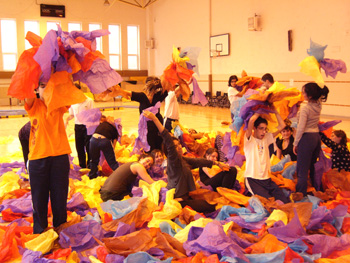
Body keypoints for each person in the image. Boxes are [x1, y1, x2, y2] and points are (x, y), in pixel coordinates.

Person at [143, 110, 230, 213]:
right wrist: (155, 119)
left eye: (179, 144)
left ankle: (226, 193)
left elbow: (197, 161)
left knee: (229, 175)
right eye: (175, 146)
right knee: (211, 207)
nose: (179, 147)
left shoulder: (182, 159)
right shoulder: (173, 161)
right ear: (169, 151)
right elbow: (167, 138)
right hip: (179, 200)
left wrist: (217, 163)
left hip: (186, 197)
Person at [25, 82, 71, 234]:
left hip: (60, 157)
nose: (47, 88)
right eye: (43, 86)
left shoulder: (58, 104)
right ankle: (40, 231)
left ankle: (60, 229)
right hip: (38, 158)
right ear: (37, 90)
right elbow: (27, 90)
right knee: (39, 199)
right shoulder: (34, 105)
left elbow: (66, 91)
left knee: (60, 196)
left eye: (49, 85)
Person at [105, 77, 168, 151]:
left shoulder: (157, 96)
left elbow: (168, 88)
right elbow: (127, 93)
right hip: (147, 128)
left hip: (157, 125)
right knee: (150, 146)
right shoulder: (142, 96)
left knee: (158, 145)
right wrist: (115, 90)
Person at [244, 111, 290, 203]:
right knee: (268, 204)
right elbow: (251, 121)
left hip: (267, 180)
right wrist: (260, 108)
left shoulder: (266, 138)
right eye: (261, 128)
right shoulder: (249, 140)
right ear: (254, 128)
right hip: (253, 180)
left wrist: (275, 112)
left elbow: (282, 126)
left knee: (285, 202)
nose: (264, 132)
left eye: (265, 129)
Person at [293, 82, 329, 197]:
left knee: (302, 170)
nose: (302, 94)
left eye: (304, 92)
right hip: (316, 138)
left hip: (307, 138)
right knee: (313, 166)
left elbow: (301, 128)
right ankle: (316, 189)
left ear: (311, 95)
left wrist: (295, 143)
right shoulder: (318, 105)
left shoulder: (305, 108)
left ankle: (301, 194)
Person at [65, 83, 94, 168]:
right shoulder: (72, 102)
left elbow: (93, 114)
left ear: (80, 91)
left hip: (87, 126)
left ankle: (90, 165)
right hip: (77, 127)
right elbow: (71, 115)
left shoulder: (89, 101)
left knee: (89, 147)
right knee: (79, 147)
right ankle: (82, 166)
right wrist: (66, 120)